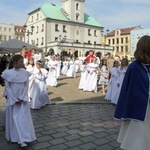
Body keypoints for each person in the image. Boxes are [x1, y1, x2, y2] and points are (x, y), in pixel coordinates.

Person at [114, 35, 150, 150]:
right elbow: (125, 89)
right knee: (136, 139)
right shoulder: (134, 67)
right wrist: (119, 112)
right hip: (136, 109)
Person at [1, 55, 36, 147]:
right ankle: (18, 138)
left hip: (22, 98)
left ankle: (26, 137)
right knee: (14, 118)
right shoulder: (8, 73)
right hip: (13, 98)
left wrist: (22, 97)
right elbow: (8, 88)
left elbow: (26, 86)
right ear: (15, 62)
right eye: (21, 62)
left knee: (23, 118)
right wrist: (13, 98)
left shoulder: (25, 73)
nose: (23, 63)